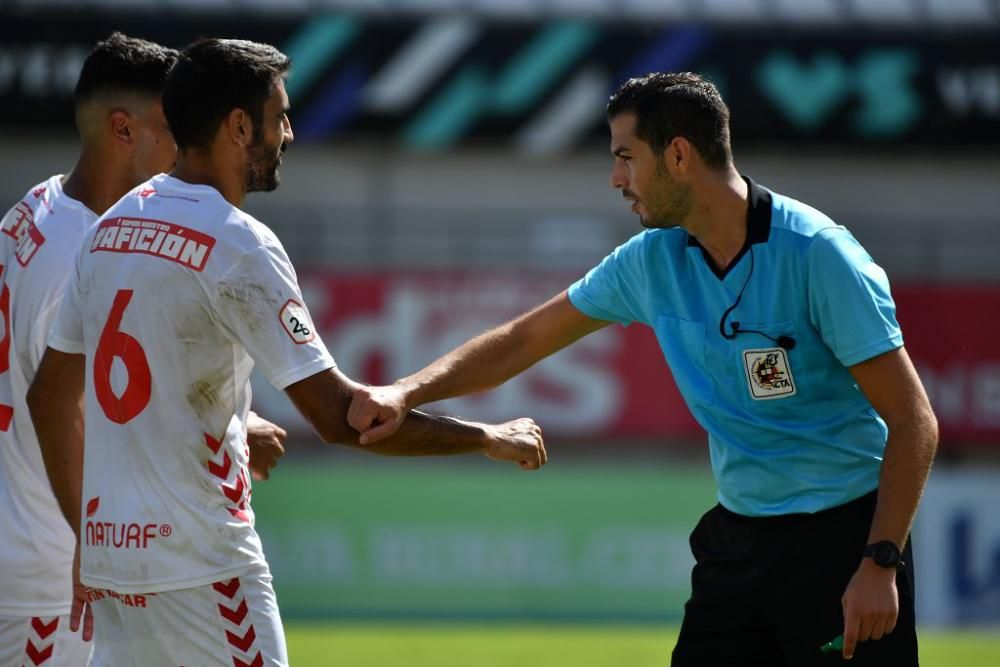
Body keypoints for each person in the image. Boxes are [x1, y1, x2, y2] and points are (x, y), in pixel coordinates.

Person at [347, 72, 938, 666]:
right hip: (736, 545)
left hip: (845, 544)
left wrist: (879, 560)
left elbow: (914, 422)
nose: (616, 179)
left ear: (678, 154)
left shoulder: (819, 254)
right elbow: (520, 342)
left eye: (626, 157)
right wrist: (404, 390)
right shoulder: (649, 261)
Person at [27, 37, 545, 667]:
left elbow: (50, 393)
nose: (290, 134)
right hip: (202, 566)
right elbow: (342, 419)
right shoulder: (239, 243)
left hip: (113, 566)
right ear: (239, 126)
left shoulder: (107, 231)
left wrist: (90, 530)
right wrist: (485, 437)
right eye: (280, 117)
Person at [0, 32, 289, 667]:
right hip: (50, 569)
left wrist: (236, 419)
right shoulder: (82, 248)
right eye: (170, 128)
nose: (184, 147)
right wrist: (90, 540)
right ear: (123, 129)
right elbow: (57, 400)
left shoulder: (37, 209)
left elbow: (104, 378)